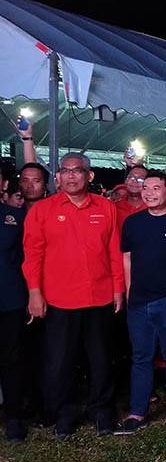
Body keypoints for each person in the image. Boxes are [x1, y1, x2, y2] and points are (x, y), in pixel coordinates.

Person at [22, 153, 125, 439]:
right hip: (58, 299)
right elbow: (32, 256)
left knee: (102, 359)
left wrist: (118, 289)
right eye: (64, 171)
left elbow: (115, 252)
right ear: (58, 176)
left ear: (89, 176)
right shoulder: (42, 210)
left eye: (77, 171)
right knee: (60, 361)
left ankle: (102, 411)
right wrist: (35, 293)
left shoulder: (106, 207)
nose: (70, 176)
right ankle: (65, 413)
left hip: (100, 297)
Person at [114, 171, 166, 435]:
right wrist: (129, 293)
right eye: (145, 187)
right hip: (139, 303)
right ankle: (137, 413)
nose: (148, 192)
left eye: (155, 188)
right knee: (141, 358)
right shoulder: (133, 223)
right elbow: (126, 258)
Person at [0, 166, 27, 442]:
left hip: (9, 299)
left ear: (4, 184)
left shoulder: (16, 218)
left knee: (12, 359)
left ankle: (14, 417)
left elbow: (27, 260)